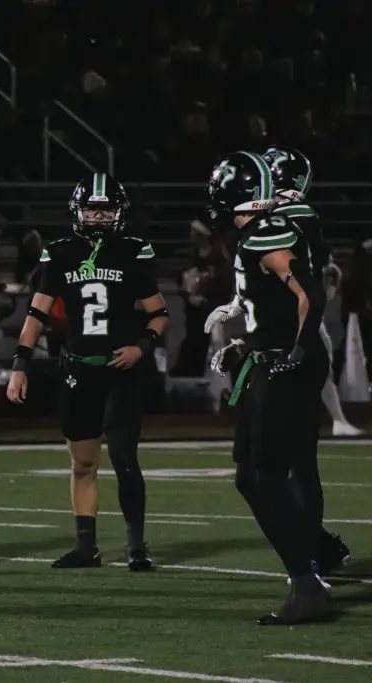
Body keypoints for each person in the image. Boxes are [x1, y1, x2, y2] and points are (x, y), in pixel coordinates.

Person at [6, 173, 169, 571]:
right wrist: (20, 364)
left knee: (124, 459)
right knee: (82, 464)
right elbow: (36, 314)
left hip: (121, 371)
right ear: (78, 211)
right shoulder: (60, 253)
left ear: (120, 213)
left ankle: (136, 546)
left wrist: (141, 347)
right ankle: (86, 547)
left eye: (106, 210)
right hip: (80, 370)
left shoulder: (134, 251)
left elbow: (159, 314)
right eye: (92, 210)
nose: (98, 217)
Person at [205, 147, 352, 580]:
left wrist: (293, 349)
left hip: (291, 349)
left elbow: (306, 291)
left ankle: (309, 566)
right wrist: (248, 337)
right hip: (278, 346)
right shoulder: (271, 225)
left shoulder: (277, 225)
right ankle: (313, 557)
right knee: (267, 471)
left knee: (284, 468)